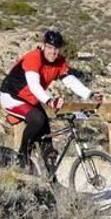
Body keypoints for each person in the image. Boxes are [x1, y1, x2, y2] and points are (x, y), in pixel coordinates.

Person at [1, 30, 103, 168]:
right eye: (49, 47)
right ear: (43, 46)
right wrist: (50, 101)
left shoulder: (59, 62)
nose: (53, 52)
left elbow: (70, 81)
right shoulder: (33, 57)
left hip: (31, 100)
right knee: (37, 119)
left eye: (56, 49)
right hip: (11, 96)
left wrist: (90, 94)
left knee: (47, 142)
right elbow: (34, 86)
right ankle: (22, 155)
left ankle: (51, 181)